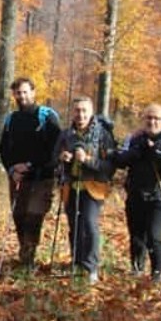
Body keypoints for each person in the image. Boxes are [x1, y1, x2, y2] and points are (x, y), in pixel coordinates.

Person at [112, 103, 161, 282]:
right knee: (136, 236)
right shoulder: (133, 139)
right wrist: (138, 150)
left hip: (159, 196)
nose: (152, 122)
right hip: (135, 194)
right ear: (143, 120)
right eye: (149, 118)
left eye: (157, 119)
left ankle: (157, 273)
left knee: (154, 236)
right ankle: (137, 268)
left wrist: (155, 153)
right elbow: (120, 160)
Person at [0, 77, 62, 269]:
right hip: (17, 178)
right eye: (18, 93)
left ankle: (28, 258)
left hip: (42, 177)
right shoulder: (11, 119)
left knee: (34, 215)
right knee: (19, 216)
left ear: (33, 92)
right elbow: (3, 149)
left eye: (25, 92)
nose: (22, 96)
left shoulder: (47, 116)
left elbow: (55, 148)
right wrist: (12, 169)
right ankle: (24, 254)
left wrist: (31, 165)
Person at [53, 96, 117, 283]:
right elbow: (53, 158)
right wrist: (61, 158)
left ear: (91, 112)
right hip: (70, 186)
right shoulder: (66, 135)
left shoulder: (103, 135)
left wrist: (87, 160)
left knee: (89, 224)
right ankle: (77, 262)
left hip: (94, 186)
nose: (80, 115)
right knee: (74, 225)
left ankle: (91, 267)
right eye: (77, 111)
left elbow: (110, 166)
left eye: (84, 111)